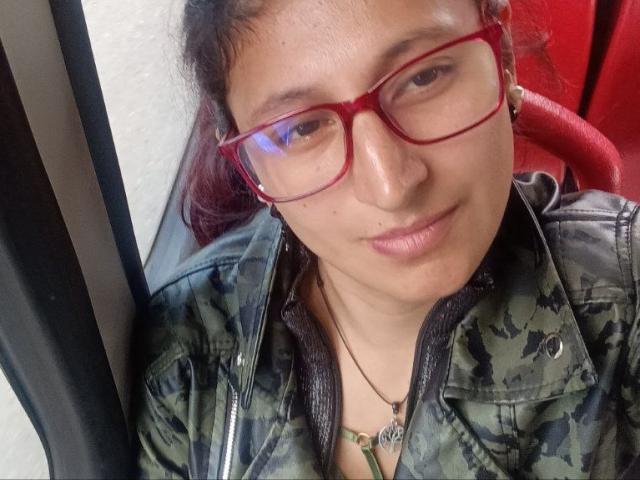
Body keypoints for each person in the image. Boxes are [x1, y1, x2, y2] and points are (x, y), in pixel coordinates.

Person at [134, 0, 640, 478]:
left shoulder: (627, 306)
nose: (391, 187)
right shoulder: (188, 354)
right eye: (301, 129)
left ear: (502, 58)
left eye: (424, 76)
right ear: (249, 165)